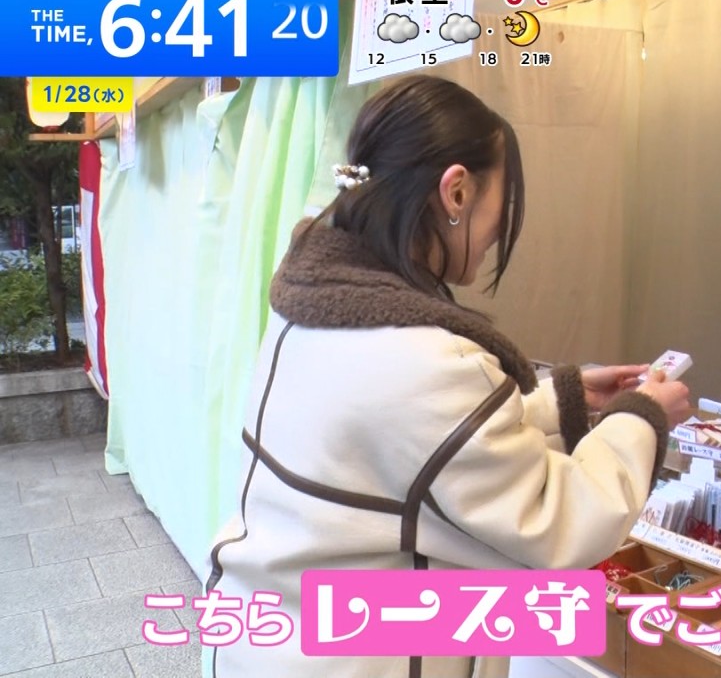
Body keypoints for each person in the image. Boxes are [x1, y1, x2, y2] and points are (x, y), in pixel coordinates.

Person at [203, 76, 693, 678]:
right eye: (501, 206)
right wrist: (642, 416)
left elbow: (412, 442)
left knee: (550, 618)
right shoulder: (427, 360)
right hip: (356, 655)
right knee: (562, 612)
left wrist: (565, 399)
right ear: (456, 191)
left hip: (283, 621)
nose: (498, 234)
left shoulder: (312, 307)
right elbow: (565, 523)